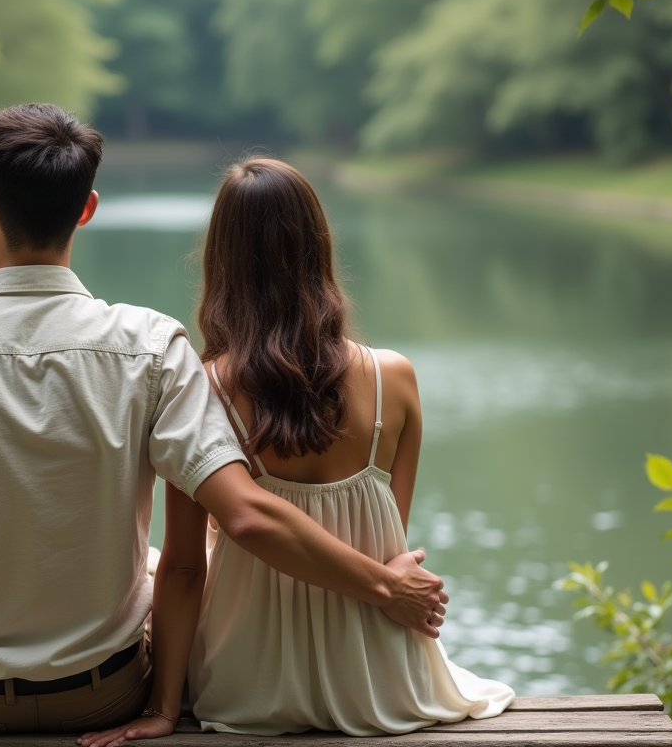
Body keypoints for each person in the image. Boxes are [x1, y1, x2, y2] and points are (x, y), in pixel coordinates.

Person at [0, 106, 448, 734]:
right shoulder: (151, 347)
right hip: (105, 693)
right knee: (157, 564)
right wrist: (384, 586)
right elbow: (243, 517)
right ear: (87, 209)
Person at [80, 158, 513, 745]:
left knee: (157, 565)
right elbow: (391, 550)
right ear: (318, 248)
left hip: (249, 686)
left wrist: (163, 710)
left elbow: (184, 569)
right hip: (379, 681)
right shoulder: (394, 379)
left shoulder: (204, 390)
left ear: (222, 260)